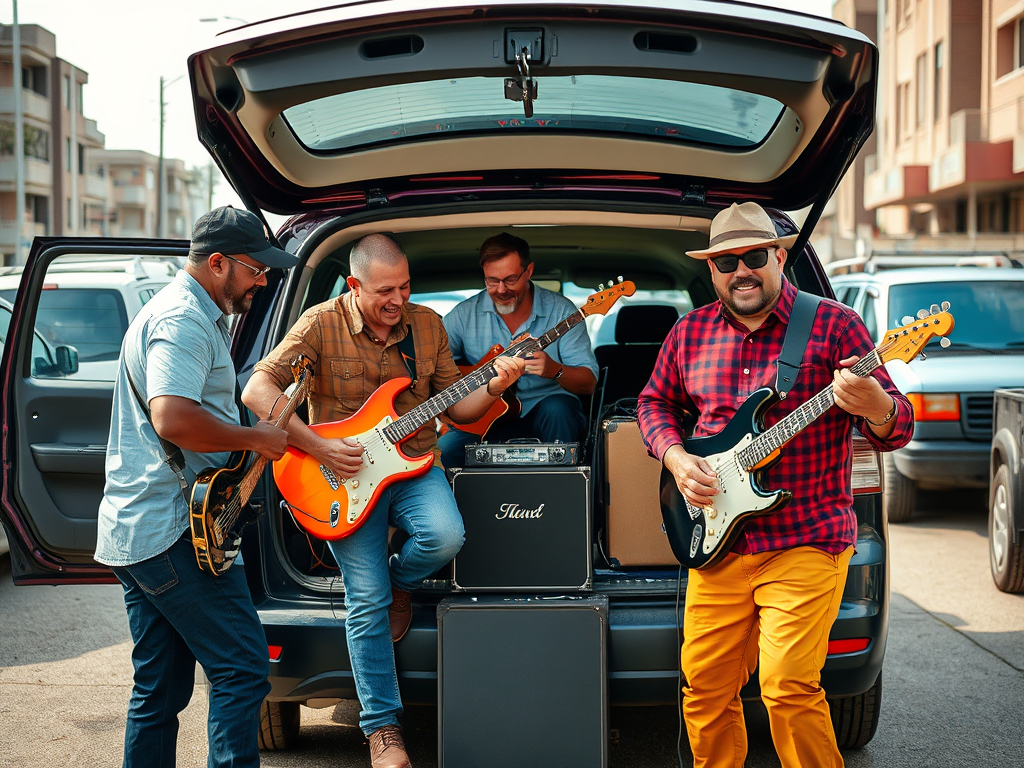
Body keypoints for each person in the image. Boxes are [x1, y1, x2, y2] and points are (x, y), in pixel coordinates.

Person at [637, 202, 913, 768]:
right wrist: (676, 457)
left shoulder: (835, 325)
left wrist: (877, 406)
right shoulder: (689, 332)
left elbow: (897, 426)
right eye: (726, 262)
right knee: (704, 690)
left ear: (780, 258)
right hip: (718, 543)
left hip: (805, 539)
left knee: (787, 686)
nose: (741, 271)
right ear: (711, 269)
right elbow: (654, 403)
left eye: (754, 257)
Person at [241, 234, 525, 768]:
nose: (398, 300)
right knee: (365, 598)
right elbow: (256, 391)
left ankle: (401, 582)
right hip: (340, 477)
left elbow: (457, 410)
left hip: (413, 465)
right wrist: (318, 446)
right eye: (385, 291)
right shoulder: (320, 323)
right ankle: (382, 729)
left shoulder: (427, 325)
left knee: (445, 536)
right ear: (354, 286)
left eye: (405, 287)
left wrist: (493, 386)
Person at [94, 206, 298, 768]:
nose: (263, 281)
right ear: (218, 263)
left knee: (158, 689)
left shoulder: (193, 312)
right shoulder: (183, 319)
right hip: (173, 530)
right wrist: (255, 438)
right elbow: (172, 418)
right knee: (243, 669)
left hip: (139, 529)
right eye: (256, 269)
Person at [438, 232, 598, 468]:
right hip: (486, 414)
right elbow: (435, 372)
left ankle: (561, 485)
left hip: (547, 412)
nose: (501, 289)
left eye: (510, 279)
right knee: (444, 451)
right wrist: (450, 412)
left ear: (529, 271)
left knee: (558, 409)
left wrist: (554, 370)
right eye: (492, 281)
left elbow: (589, 383)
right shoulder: (462, 315)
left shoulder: (563, 312)